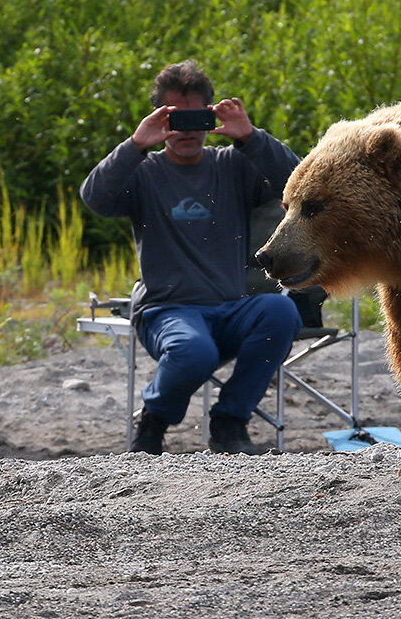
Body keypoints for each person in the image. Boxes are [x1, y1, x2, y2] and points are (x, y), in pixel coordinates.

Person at [81, 60, 302, 455]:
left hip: (230, 307)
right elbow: (94, 197)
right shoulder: (143, 173)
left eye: (194, 118)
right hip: (167, 310)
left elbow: (297, 181)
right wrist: (135, 145)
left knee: (281, 312)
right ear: (158, 120)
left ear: (211, 115)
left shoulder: (233, 165)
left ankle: (230, 422)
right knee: (193, 350)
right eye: (173, 119)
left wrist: (250, 137)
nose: (185, 130)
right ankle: (153, 422)